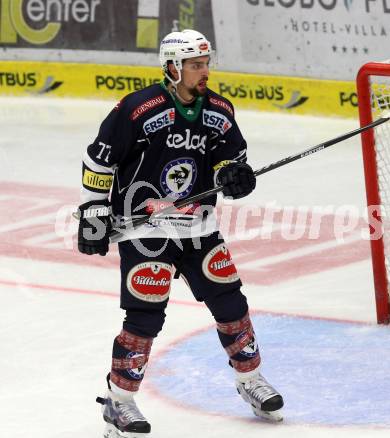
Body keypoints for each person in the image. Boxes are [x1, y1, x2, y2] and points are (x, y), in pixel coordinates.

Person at [76, 29, 284, 437]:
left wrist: (234, 176)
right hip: (146, 229)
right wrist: (94, 211)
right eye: (195, 65)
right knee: (144, 318)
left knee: (231, 304)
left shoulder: (220, 110)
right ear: (172, 67)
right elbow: (98, 160)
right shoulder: (138, 109)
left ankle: (250, 381)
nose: (203, 71)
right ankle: (119, 403)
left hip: (199, 227)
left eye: (206, 63)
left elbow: (231, 158)